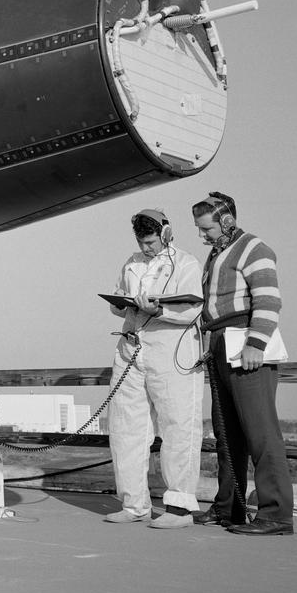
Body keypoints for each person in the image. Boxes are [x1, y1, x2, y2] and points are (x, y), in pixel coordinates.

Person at [191, 191, 294, 536]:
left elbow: (268, 300)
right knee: (226, 433)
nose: (202, 235)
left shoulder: (256, 249)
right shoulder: (216, 254)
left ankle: (276, 515)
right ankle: (228, 508)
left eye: (206, 228)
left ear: (227, 221)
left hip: (245, 343)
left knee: (261, 433)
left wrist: (256, 343)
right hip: (219, 343)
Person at [104, 209, 204, 528]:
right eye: (141, 242)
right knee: (126, 425)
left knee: (178, 424)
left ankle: (179, 508)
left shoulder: (186, 263)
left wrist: (159, 308)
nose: (147, 248)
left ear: (164, 234)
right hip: (132, 346)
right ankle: (134, 503)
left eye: (151, 241)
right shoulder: (132, 263)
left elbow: (193, 308)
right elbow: (117, 301)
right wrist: (121, 303)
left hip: (171, 349)